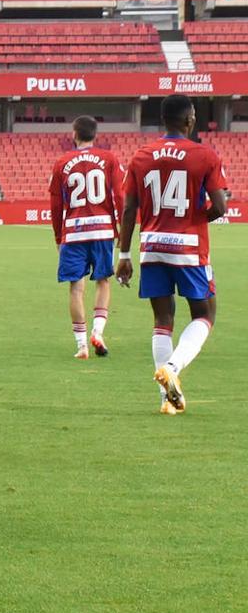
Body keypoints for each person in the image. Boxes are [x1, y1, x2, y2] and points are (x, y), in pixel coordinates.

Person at [115, 94, 227, 414]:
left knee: (162, 319)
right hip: (188, 249)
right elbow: (220, 207)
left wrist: (123, 255)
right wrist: (194, 219)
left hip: (151, 247)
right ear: (190, 119)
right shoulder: (204, 154)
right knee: (205, 314)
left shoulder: (141, 155)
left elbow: (128, 209)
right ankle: (173, 369)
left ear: (163, 120)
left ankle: (166, 400)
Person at [49, 116, 124, 359]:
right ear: (95, 134)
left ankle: (81, 346)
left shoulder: (62, 162)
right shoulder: (109, 159)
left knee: (76, 288)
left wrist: (58, 236)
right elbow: (119, 196)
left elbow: (56, 203)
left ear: (74, 133)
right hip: (103, 229)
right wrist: (121, 227)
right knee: (103, 282)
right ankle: (98, 332)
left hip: (74, 230)